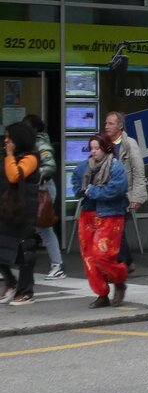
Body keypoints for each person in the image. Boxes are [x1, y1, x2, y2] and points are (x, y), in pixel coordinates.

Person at [71, 134, 129, 308]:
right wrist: (83, 190)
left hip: (111, 214)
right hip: (88, 214)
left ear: (106, 148)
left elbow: (116, 190)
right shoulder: (83, 167)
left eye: (97, 148)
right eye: (92, 148)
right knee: (89, 257)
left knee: (101, 255)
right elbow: (76, 186)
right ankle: (101, 293)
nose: (94, 151)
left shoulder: (116, 167)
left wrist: (92, 191)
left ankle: (119, 278)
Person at [0, 123, 41, 306]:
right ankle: (10, 282)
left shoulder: (31, 157)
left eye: (9, 138)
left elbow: (14, 176)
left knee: (25, 251)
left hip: (24, 210)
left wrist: (9, 155)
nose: (6, 141)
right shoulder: (11, 156)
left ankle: (26, 291)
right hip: (8, 208)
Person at [104, 112, 146, 274]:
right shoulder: (104, 143)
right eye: (106, 123)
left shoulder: (129, 144)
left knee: (116, 229)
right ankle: (127, 261)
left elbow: (138, 170)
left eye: (111, 123)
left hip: (123, 194)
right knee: (116, 229)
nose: (107, 126)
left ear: (120, 126)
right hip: (108, 193)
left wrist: (137, 197)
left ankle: (121, 264)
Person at [22, 115, 64, 279]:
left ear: (34, 129)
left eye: (26, 126)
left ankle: (57, 266)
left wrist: (33, 177)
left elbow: (49, 166)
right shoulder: (28, 143)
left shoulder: (41, 144)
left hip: (42, 190)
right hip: (32, 189)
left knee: (44, 227)